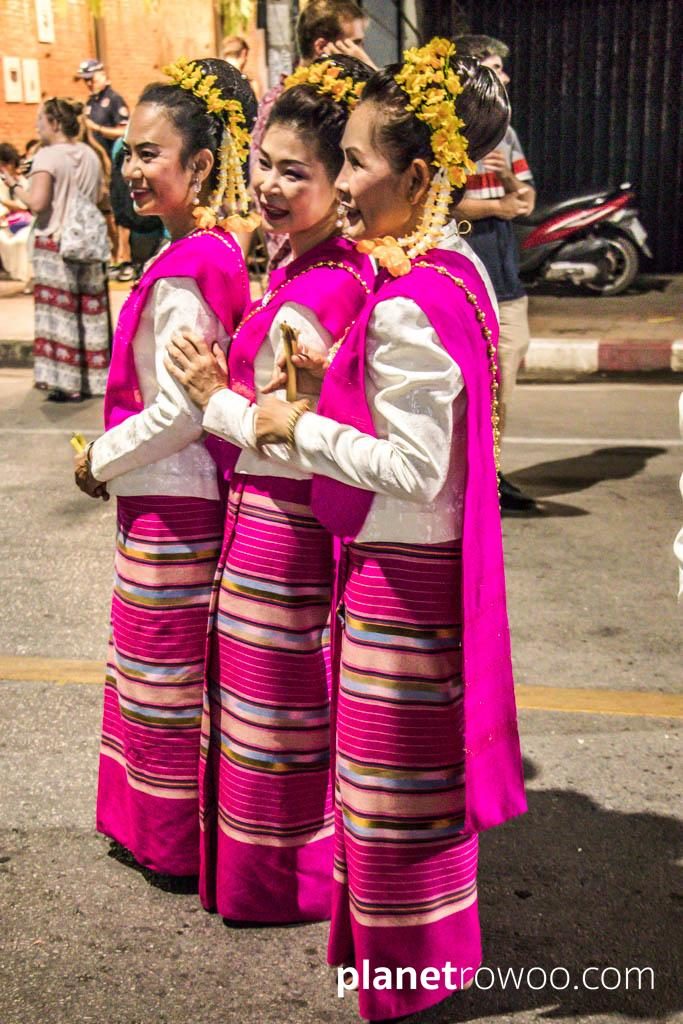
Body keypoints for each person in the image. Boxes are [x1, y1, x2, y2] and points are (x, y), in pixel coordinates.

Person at [247, 40, 526, 1021]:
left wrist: (298, 422)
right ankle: (429, 957)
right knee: (416, 786)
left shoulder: (409, 303)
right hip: (433, 577)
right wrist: (332, 382)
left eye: (356, 163)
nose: (345, 183)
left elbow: (412, 467)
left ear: (413, 177)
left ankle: (406, 981)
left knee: (384, 795)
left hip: (398, 583)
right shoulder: (456, 276)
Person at [165, 55, 375, 921]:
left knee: (275, 712)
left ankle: (278, 882)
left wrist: (216, 398)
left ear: (339, 182)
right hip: (270, 526)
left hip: (282, 523)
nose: (272, 186)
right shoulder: (301, 267)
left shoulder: (321, 284)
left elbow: (283, 438)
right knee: (273, 708)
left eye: (299, 172)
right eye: (266, 165)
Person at [72, 57, 256, 877]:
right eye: (130, 152)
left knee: (163, 676)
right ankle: (158, 829)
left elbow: (183, 410)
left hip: (174, 501)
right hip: (169, 496)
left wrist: (97, 460)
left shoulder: (188, 270)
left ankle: (171, 841)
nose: (133, 168)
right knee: (159, 672)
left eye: (152, 154)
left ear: (201, 165)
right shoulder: (195, 251)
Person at [455, 34, 538, 513]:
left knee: (503, 381)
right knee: (471, 387)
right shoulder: (446, 131)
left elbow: (524, 199)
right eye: (494, 67)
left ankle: (493, 472)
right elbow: (444, 204)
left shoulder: (504, 132)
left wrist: (505, 181)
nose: (504, 77)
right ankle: (472, 477)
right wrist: (497, 206)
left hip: (506, 277)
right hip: (470, 272)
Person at [250, 0, 375, 271]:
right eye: (356, 42)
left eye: (292, 172)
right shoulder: (282, 105)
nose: (268, 184)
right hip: (298, 252)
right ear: (322, 47)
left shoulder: (352, 102)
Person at [0, 98, 108, 400]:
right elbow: (99, 195)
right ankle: (94, 379)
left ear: (55, 124)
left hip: (55, 242)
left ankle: (67, 383)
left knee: (60, 316)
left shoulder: (47, 156)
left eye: (41, 120)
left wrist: (13, 184)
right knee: (89, 311)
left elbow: (37, 204)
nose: (37, 125)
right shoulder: (91, 154)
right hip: (88, 240)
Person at [75, 59, 134, 280]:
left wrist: (96, 128)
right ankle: (113, 255)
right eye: (85, 81)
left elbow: (123, 131)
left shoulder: (114, 100)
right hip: (96, 165)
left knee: (117, 212)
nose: (89, 84)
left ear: (101, 74)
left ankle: (124, 256)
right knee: (104, 212)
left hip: (114, 162)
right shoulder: (90, 102)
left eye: (91, 79)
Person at [0, 142, 33, 287]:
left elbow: (26, 205)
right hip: (5, 224)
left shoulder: (23, 182)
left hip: (23, 223)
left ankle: (27, 278)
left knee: (23, 240)